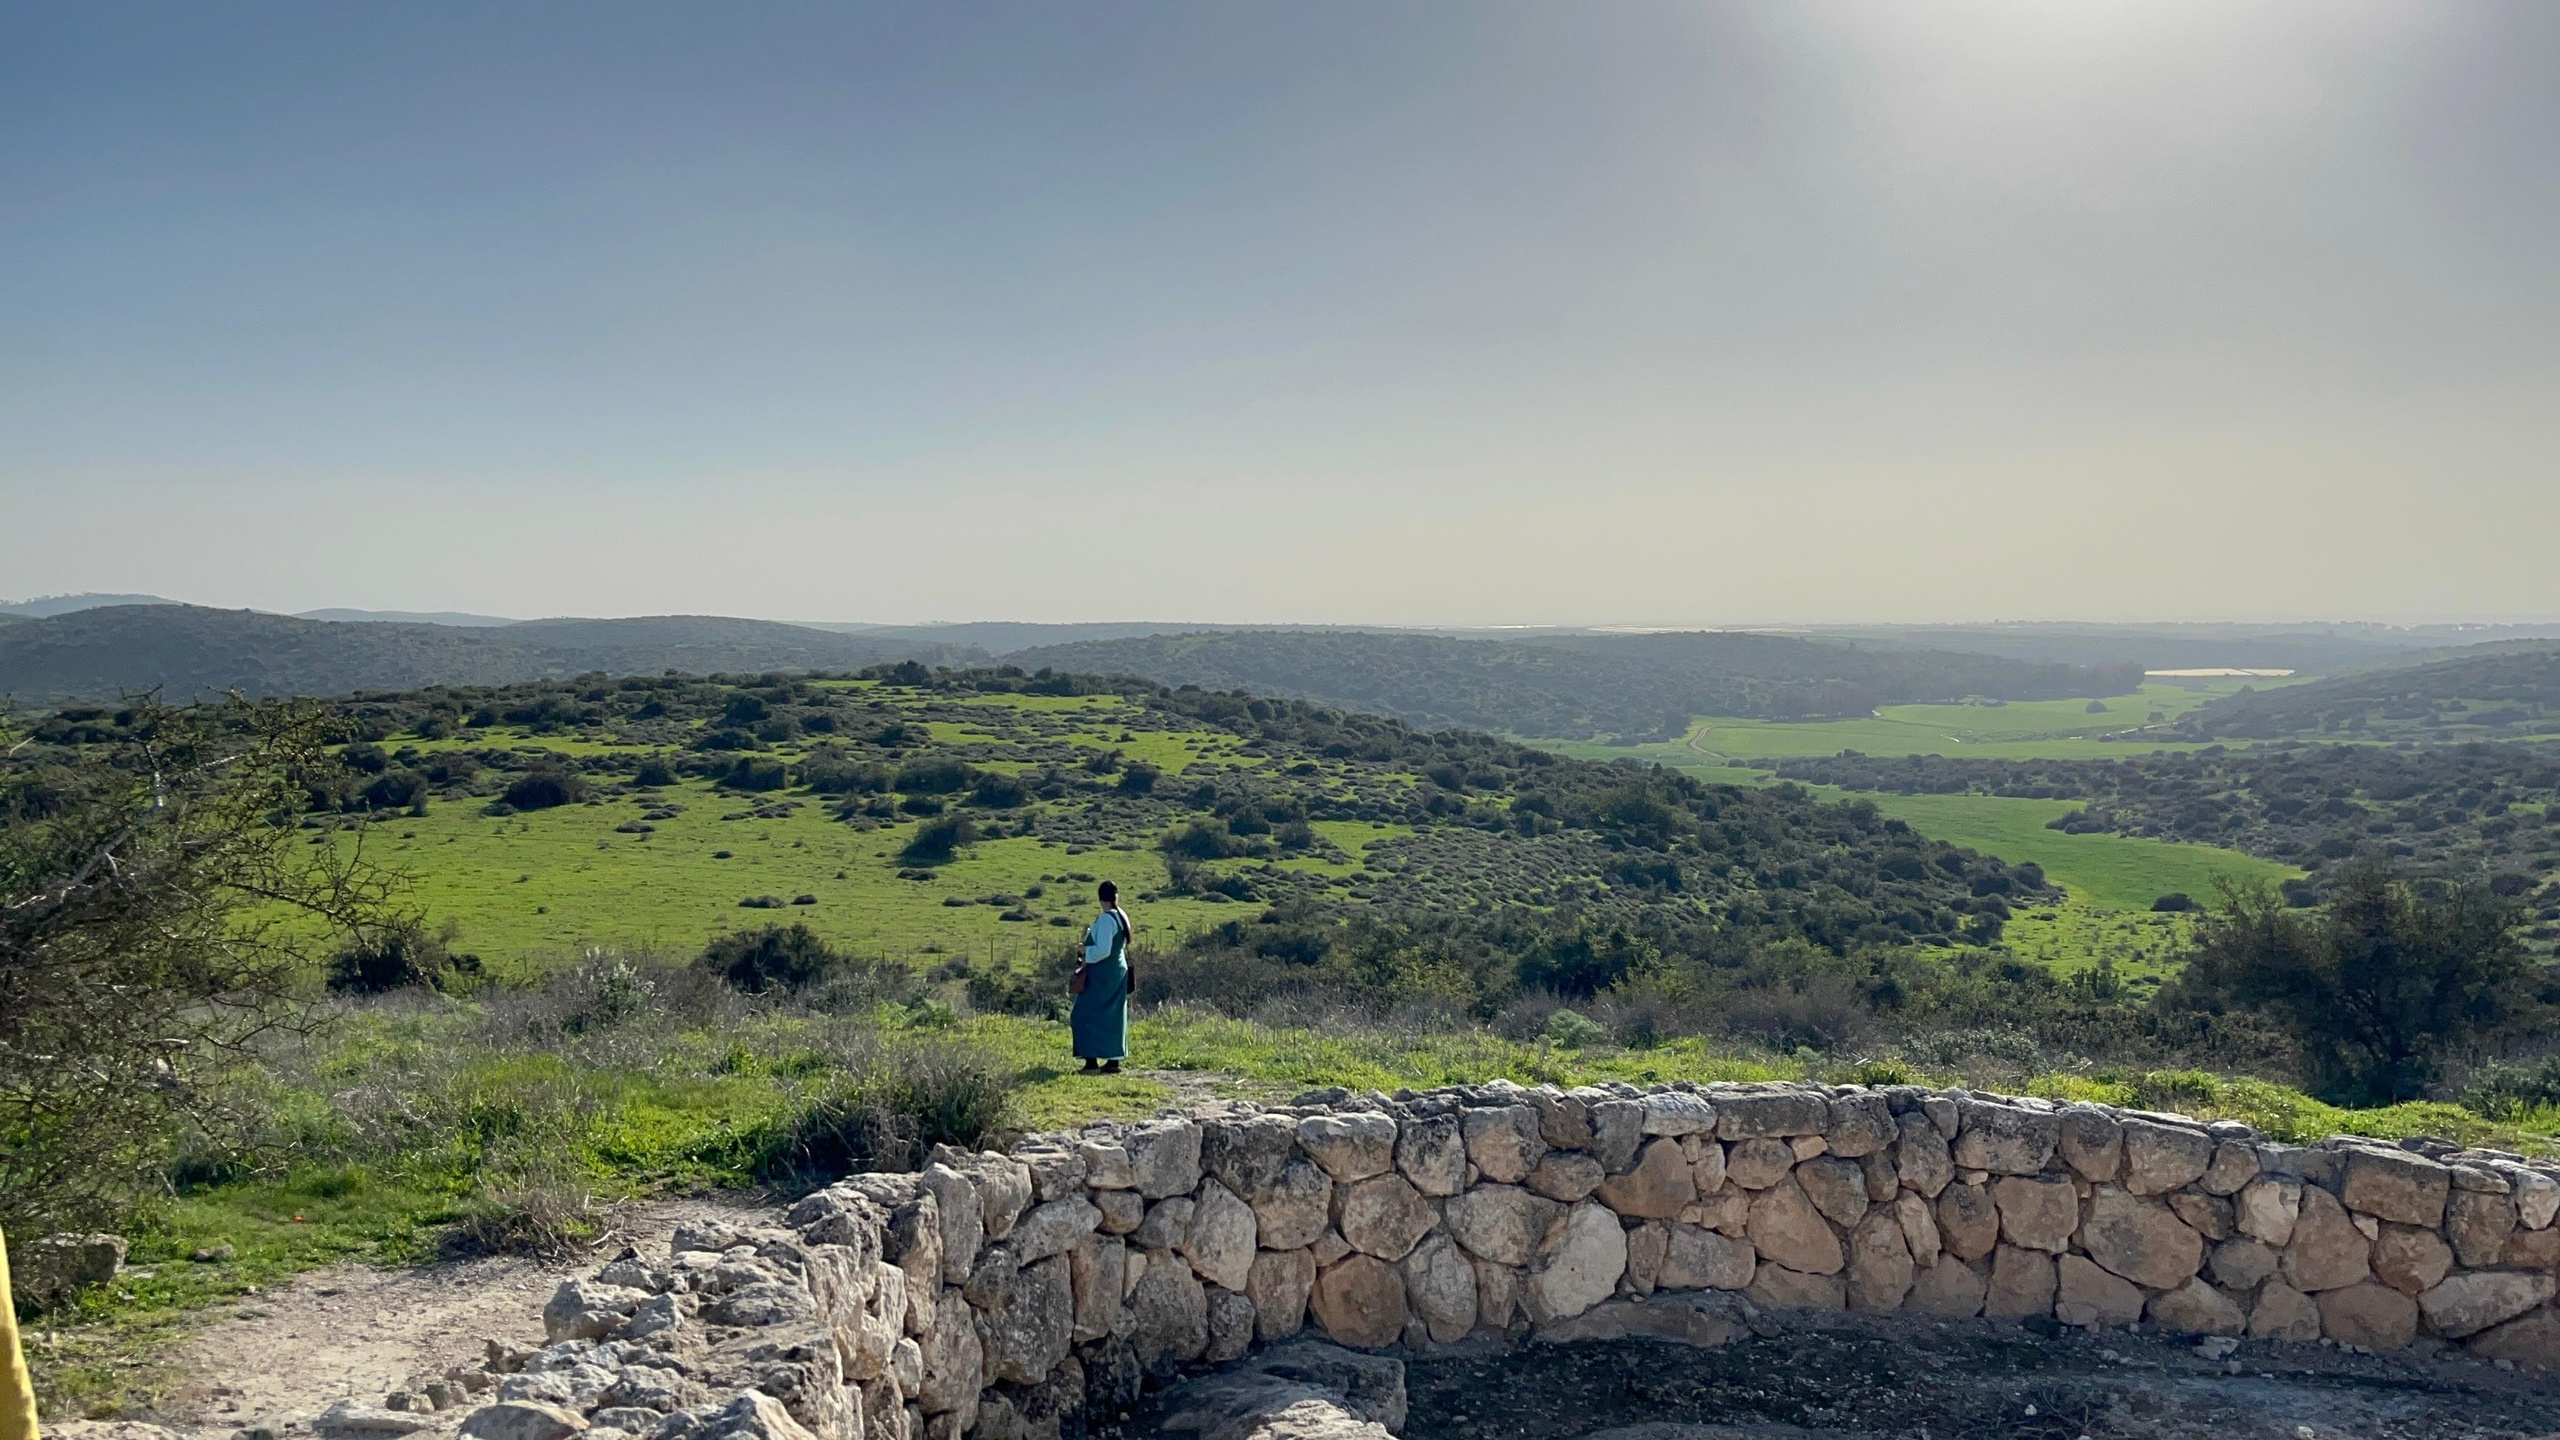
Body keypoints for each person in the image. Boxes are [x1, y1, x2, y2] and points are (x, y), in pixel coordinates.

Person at [1072, 880, 1132, 1074]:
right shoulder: (1121, 915)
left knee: (1083, 1013)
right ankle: (1113, 1060)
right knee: (1113, 1015)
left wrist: (1085, 951)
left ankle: (1091, 1062)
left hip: (1103, 974)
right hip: (1118, 971)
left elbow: (1103, 950)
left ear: (1100, 898)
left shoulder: (1106, 919)